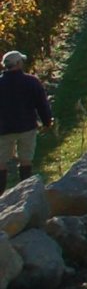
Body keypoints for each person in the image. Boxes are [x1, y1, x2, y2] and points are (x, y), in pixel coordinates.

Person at [0, 50, 51, 188]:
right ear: (18, 63)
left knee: (1, 162)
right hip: (27, 127)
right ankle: (25, 190)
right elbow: (41, 104)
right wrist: (47, 121)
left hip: (3, 129)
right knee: (26, 159)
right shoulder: (31, 81)